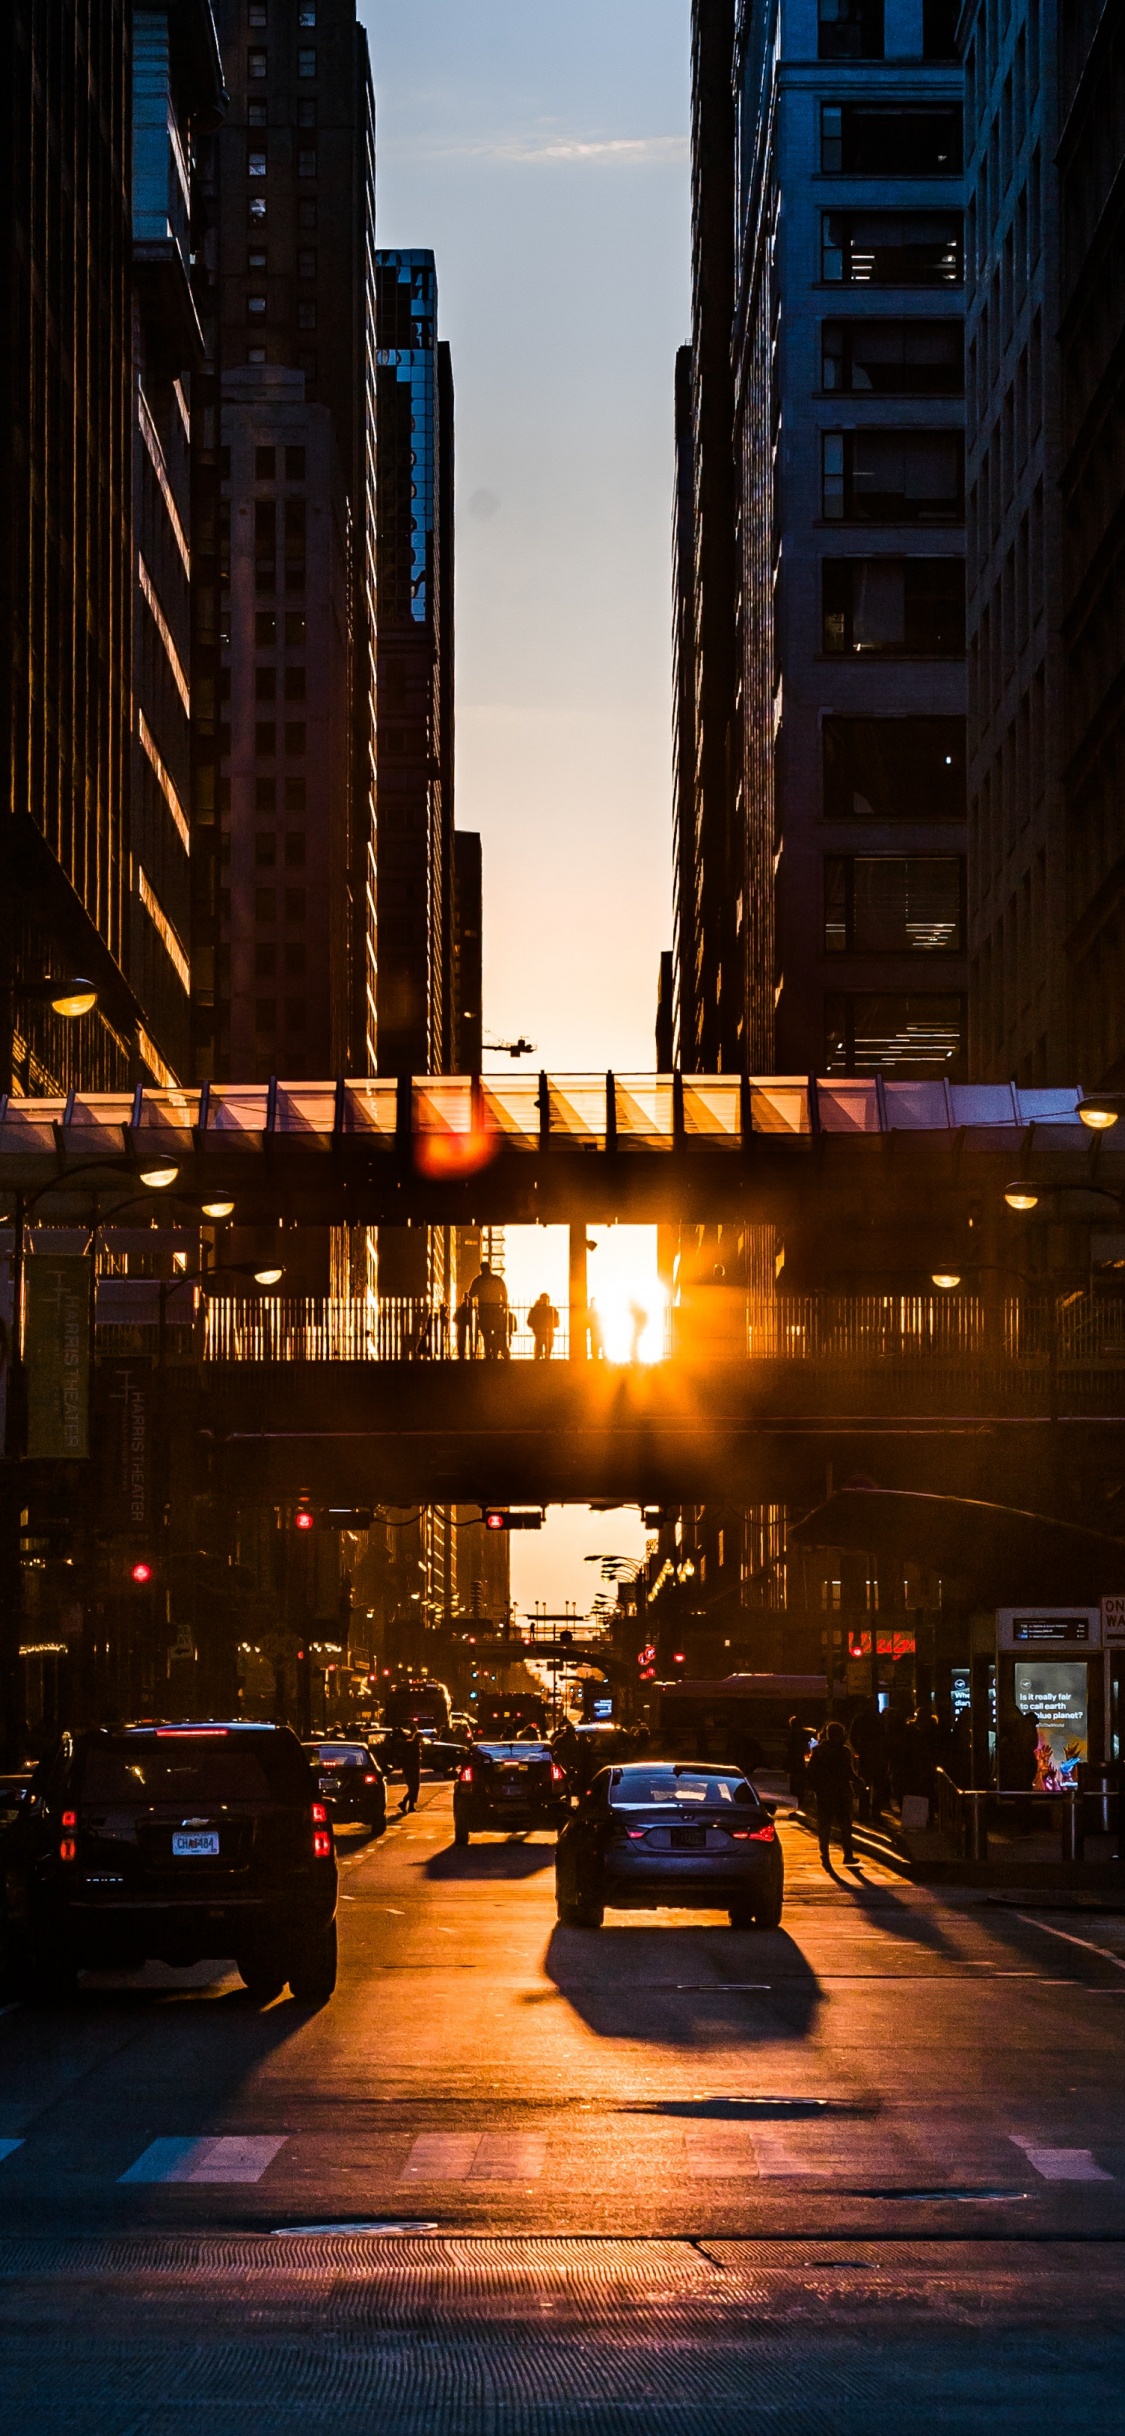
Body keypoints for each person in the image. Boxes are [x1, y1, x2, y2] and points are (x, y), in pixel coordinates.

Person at [805, 1719, 858, 1869]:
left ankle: (825, 1857)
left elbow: (811, 1772)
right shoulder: (844, 1751)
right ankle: (848, 1855)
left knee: (825, 1826)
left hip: (825, 1793)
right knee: (845, 1826)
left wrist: (812, 1788)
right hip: (842, 1793)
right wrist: (858, 1781)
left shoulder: (819, 1751)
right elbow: (849, 1772)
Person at [468, 1261, 509, 1360]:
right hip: (496, 1308)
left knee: (486, 1332)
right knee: (496, 1332)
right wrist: (503, 1304)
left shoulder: (478, 1280)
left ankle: (488, 1353)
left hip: (484, 1309)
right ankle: (494, 1351)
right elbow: (504, 1293)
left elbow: (471, 1294)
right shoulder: (497, 1279)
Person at [786, 1714, 812, 1802]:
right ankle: (800, 1801)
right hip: (800, 1763)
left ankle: (796, 1801)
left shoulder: (790, 1736)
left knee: (794, 1783)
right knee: (800, 1784)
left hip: (793, 1763)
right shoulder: (804, 1736)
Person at [398, 1724, 422, 1813]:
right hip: (411, 1769)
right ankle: (404, 1803)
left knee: (414, 1788)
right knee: (413, 1788)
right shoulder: (413, 1746)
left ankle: (410, 1806)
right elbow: (410, 1759)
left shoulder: (414, 1745)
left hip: (413, 1769)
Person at [529, 1291, 559, 1361]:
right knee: (548, 1346)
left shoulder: (535, 1309)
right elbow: (557, 1323)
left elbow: (529, 1321)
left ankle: (538, 1357)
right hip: (548, 1331)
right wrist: (550, 1326)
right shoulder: (552, 1310)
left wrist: (535, 1327)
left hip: (539, 1331)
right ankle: (546, 1357)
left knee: (539, 1345)